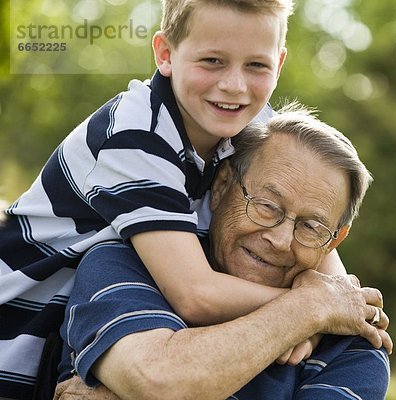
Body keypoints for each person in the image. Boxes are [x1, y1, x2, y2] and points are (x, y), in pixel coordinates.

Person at [0, 1, 359, 399]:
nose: (234, 85)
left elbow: (333, 285)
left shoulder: (252, 127)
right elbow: (195, 295)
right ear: (165, 54)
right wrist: (305, 313)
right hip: (12, 338)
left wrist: (320, 309)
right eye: (212, 61)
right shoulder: (135, 134)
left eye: (256, 66)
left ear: (279, 62)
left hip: (76, 338)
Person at [54, 104, 392, 400]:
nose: (280, 239)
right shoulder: (127, 264)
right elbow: (158, 380)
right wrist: (308, 308)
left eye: (311, 228)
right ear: (221, 188)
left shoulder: (353, 345)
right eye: (266, 205)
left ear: (334, 241)